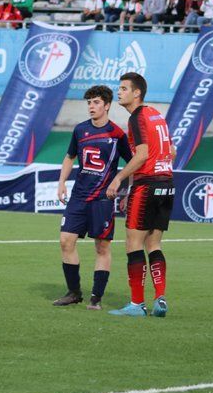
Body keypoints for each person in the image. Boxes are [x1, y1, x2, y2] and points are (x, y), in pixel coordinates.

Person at [54, 86, 133, 309]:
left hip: (102, 200)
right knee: (65, 241)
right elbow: (70, 157)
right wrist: (61, 182)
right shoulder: (80, 130)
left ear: (107, 105)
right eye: (89, 102)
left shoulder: (117, 134)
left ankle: (96, 298)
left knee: (102, 248)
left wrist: (126, 190)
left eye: (96, 102)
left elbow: (132, 164)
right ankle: (74, 292)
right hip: (78, 197)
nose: (91, 106)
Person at [106, 72, 174, 318]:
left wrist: (119, 178)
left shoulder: (137, 118)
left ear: (137, 93)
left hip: (148, 186)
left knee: (133, 244)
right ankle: (160, 298)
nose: (119, 92)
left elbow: (143, 154)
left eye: (124, 88)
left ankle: (137, 304)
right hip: (167, 183)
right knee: (153, 244)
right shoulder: (156, 115)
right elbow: (171, 151)